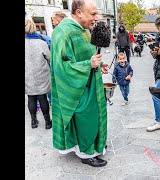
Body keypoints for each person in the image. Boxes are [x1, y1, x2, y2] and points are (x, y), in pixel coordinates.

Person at [50, 0, 109, 167]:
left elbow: (86, 54)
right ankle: (85, 153)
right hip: (77, 88)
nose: (96, 18)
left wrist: (99, 64)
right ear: (78, 12)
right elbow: (60, 67)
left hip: (91, 83)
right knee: (84, 119)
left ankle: (94, 146)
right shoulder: (62, 32)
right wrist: (87, 65)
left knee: (93, 117)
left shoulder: (83, 30)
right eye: (93, 14)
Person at [25, 18, 52, 129]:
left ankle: (33, 121)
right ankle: (47, 122)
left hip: (27, 76)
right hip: (41, 74)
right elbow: (49, 58)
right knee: (42, 98)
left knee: (31, 98)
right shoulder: (41, 43)